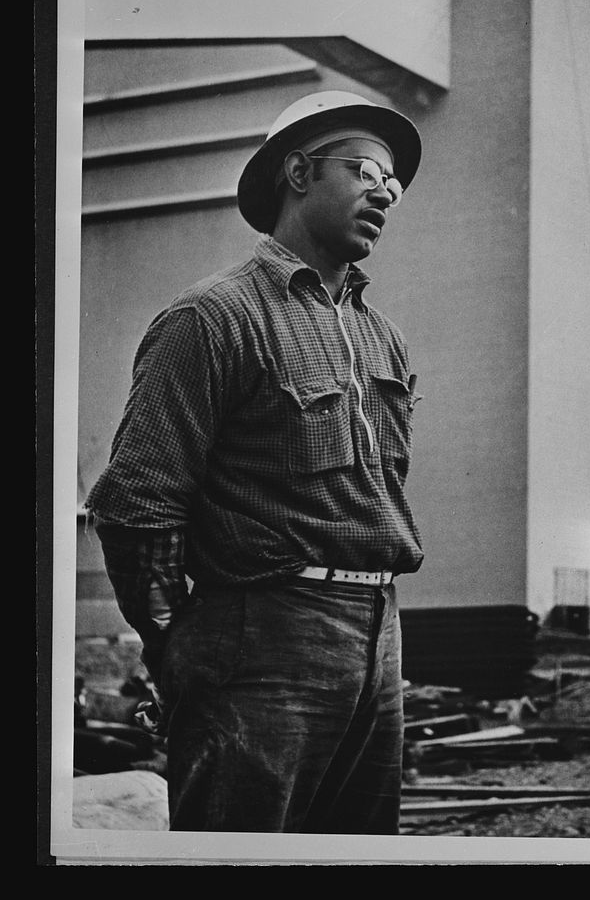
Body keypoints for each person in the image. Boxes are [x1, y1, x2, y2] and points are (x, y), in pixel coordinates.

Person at [85, 89, 425, 834]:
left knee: (361, 859)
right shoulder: (213, 318)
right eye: (367, 169)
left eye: (393, 182)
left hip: (379, 632)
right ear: (299, 171)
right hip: (262, 638)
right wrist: (177, 643)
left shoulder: (384, 340)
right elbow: (136, 503)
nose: (385, 193)